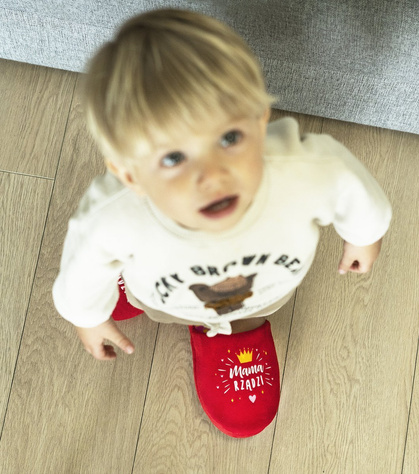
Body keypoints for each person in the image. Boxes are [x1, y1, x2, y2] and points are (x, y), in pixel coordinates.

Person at [52, 9, 392, 438]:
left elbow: (348, 184)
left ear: (259, 120)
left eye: (229, 138)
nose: (211, 176)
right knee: (139, 294)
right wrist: (88, 314)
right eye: (173, 158)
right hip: (161, 289)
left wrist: (364, 233)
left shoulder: (304, 168)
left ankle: (239, 329)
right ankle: (126, 289)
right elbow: (82, 264)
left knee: (256, 305)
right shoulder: (115, 217)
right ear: (131, 175)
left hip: (266, 288)